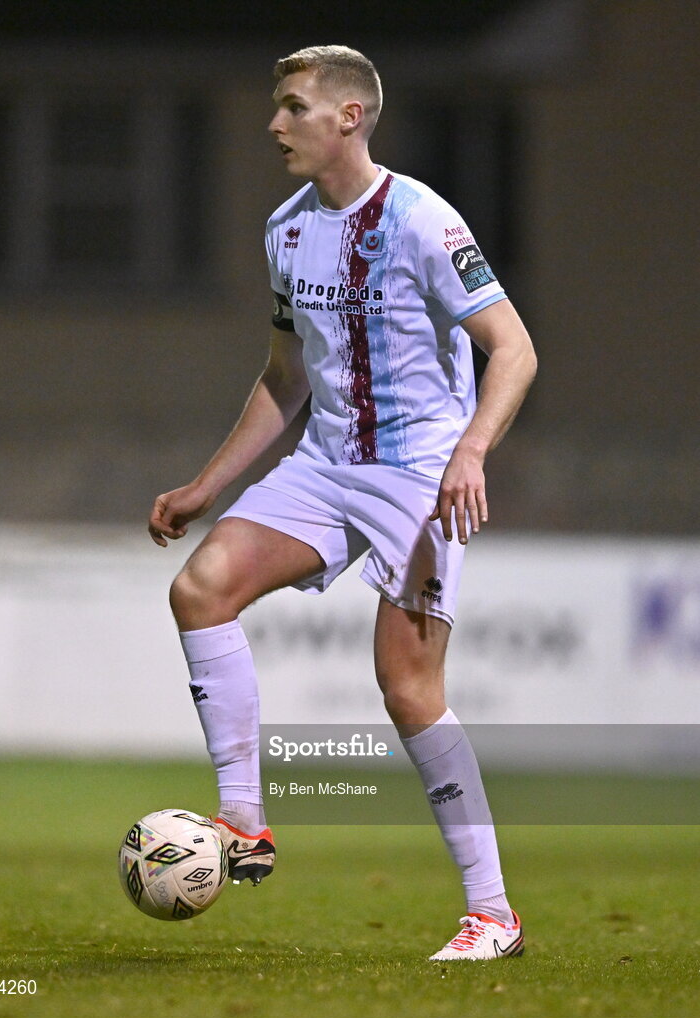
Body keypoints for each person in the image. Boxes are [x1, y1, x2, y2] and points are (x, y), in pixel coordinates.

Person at [149, 44, 537, 961]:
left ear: (348, 118)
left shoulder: (422, 222)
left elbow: (512, 348)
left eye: (292, 108)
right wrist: (210, 485)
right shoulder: (286, 227)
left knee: (406, 689)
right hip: (327, 463)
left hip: (418, 473)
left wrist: (470, 449)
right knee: (200, 590)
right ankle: (244, 820)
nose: (274, 125)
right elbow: (287, 378)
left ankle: (493, 915)